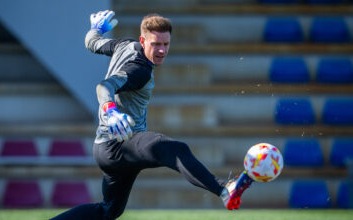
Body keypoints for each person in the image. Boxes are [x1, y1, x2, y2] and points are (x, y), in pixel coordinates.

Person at [51, 10, 253, 220]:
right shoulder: (139, 70)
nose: (162, 50)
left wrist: (95, 30)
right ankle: (223, 190)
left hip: (105, 148)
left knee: (109, 210)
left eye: (166, 44)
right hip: (119, 145)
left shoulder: (124, 44)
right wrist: (109, 110)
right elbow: (104, 86)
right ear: (143, 40)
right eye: (156, 44)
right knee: (175, 149)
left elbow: (92, 43)